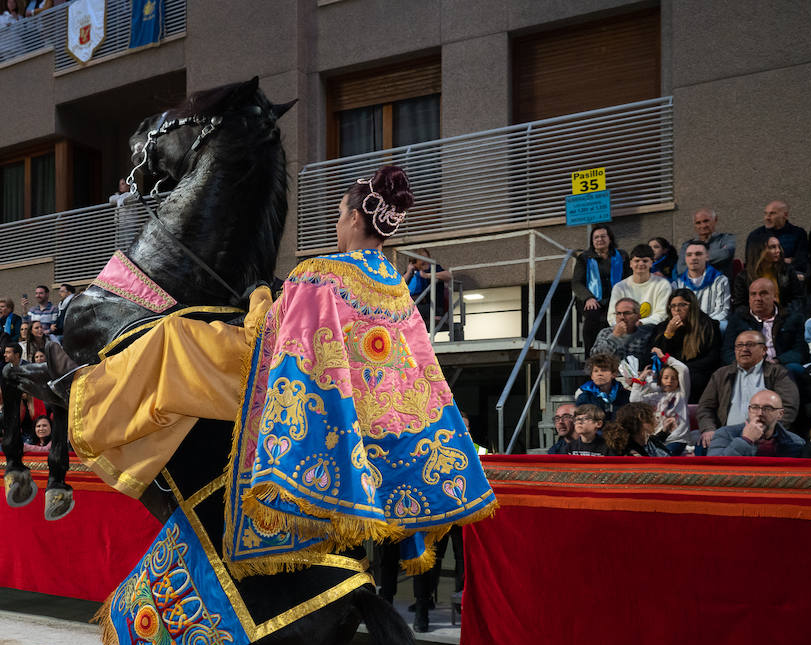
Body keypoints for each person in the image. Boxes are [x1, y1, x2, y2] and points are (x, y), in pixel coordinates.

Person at [69, 164, 493, 575]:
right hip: (365, 423)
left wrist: (257, 296)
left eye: (340, 214)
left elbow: (272, 335)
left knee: (172, 338)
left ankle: (100, 418)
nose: (337, 225)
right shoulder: (396, 286)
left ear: (355, 217)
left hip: (288, 387)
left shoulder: (321, 275)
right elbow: (418, 371)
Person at [697, 330, 800, 447]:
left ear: (764, 350)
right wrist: (708, 429)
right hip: (726, 436)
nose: (744, 349)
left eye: (750, 344)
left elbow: (788, 408)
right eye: (739, 345)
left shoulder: (778, 373)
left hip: (765, 437)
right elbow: (705, 407)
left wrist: (769, 432)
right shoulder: (721, 374)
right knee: (700, 443)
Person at [721, 276, 808, 379]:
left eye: (763, 293)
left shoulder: (793, 318)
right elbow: (727, 351)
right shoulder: (738, 319)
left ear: (774, 296)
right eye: (753, 294)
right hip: (747, 365)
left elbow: (799, 350)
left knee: (794, 369)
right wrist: (747, 362)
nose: (758, 298)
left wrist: (777, 361)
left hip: (781, 365)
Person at [647, 288, 720, 402]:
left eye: (683, 305)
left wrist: (682, 370)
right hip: (669, 372)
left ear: (692, 306)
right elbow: (654, 355)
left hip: (695, 373)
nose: (677, 309)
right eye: (673, 306)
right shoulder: (662, 327)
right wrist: (668, 335)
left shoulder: (708, 325)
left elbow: (712, 358)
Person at [572, 224, 627, 348]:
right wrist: (588, 298)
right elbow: (576, 282)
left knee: (614, 321)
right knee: (592, 320)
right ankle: (590, 358)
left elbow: (628, 278)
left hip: (615, 299)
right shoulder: (585, 258)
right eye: (596, 237)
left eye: (603, 236)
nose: (599, 240)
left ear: (610, 239)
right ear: (592, 241)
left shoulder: (622, 256)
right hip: (592, 300)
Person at [706, 389, 803, 457]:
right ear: (749, 410)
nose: (760, 413)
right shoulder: (725, 434)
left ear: (780, 414)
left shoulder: (795, 442)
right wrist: (746, 440)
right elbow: (716, 469)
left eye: (767, 408)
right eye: (755, 407)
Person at [628, 349, 690, 451]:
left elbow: (683, 369)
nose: (669, 381)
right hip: (657, 439)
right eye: (666, 378)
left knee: (662, 458)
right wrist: (640, 379)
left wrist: (664, 358)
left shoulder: (681, 394)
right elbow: (634, 400)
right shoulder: (654, 396)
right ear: (660, 380)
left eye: (673, 378)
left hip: (676, 439)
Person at [730, 234, 806, 313]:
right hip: (754, 320)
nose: (778, 250)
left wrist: (784, 313)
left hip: (783, 317)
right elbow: (739, 306)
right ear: (759, 250)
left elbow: (799, 299)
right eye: (772, 247)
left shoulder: (787, 270)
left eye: (778, 246)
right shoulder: (743, 276)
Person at [609, 244, 672, 326]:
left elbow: (662, 314)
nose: (641, 264)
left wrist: (640, 323)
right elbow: (612, 316)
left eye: (645, 261)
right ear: (630, 264)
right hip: (624, 330)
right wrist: (625, 326)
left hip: (652, 329)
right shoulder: (619, 287)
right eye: (637, 261)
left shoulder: (663, 284)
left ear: (651, 263)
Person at [674, 240, 732, 325]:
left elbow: (722, 311)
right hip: (685, 324)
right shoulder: (677, 284)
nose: (693, 258)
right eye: (689, 255)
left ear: (707, 256)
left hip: (711, 325)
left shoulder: (720, 280)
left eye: (698, 254)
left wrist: (703, 325)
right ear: (685, 259)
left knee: (723, 325)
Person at [744, 200, 809, 276]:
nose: (767, 218)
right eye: (765, 213)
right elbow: (751, 262)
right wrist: (785, 260)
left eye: (772, 213)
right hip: (762, 274)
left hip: (790, 274)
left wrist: (769, 260)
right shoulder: (755, 235)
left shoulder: (799, 233)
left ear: (785, 215)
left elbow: (801, 262)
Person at [589, 297, 655, 363]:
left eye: (627, 313)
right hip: (611, 372)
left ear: (638, 316)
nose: (622, 317)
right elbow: (596, 357)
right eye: (618, 313)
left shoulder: (646, 334)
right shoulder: (606, 333)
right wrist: (615, 337)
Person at [680, 208, 736, 276]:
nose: (703, 226)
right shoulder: (687, 245)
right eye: (698, 223)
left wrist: (693, 262)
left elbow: (726, 254)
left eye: (706, 221)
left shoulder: (727, 238)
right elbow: (681, 269)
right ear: (694, 225)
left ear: (715, 220)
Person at [603, 402, 671, 457]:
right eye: (652, 417)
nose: (656, 420)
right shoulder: (629, 451)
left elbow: (656, 440)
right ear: (642, 421)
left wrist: (666, 431)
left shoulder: (649, 440)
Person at [575, 352, 629, 417]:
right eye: (596, 371)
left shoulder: (625, 395)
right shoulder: (585, 397)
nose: (599, 374)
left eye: (604, 370)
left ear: (613, 374)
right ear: (591, 376)